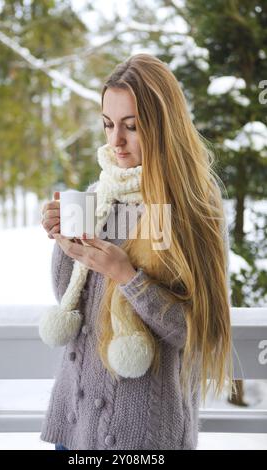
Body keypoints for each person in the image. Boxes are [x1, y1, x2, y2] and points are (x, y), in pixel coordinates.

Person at [39, 53, 233, 450]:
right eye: (108, 125)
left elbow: (195, 331)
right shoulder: (101, 194)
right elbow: (70, 301)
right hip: (76, 424)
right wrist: (64, 242)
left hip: (142, 434)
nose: (116, 141)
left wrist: (127, 276)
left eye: (132, 126)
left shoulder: (193, 207)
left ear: (164, 126)